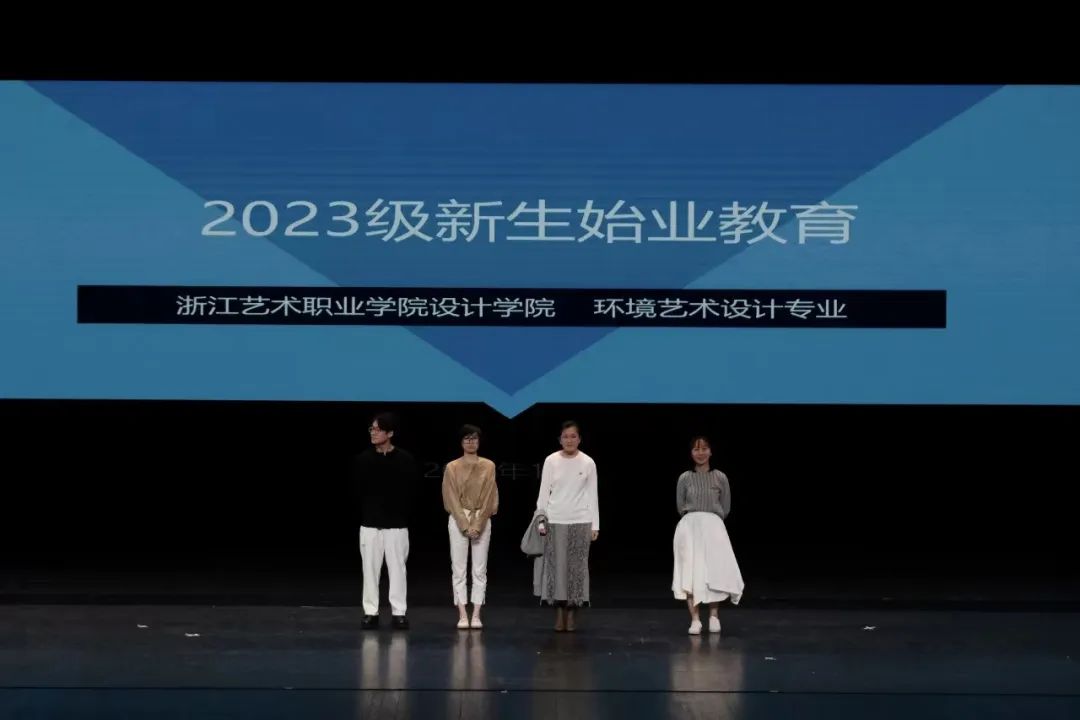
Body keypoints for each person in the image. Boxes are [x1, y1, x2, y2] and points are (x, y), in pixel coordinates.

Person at [351, 411, 419, 630]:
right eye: (371, 429)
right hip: (370, 525)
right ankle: (370, 612)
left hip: (397, 526)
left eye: (378, 429)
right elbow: (358, 491)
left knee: (398, 570)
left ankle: (399, 612)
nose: (373, 433)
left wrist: (401, 514)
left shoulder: (405, 460)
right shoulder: (363, 460)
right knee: (370, 571)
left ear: (390, 433)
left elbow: (411, 492)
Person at [672, 436, 745, 635]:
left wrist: (712, 520)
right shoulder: (685, 477)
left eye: (704, 448)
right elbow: (680, 505)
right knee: (690, 571)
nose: (701, 453)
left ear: (711, 451)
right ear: (691, 453)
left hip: (713, 526)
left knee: (714, 570)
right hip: (690, 526)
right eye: (696, 449)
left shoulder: (720, 477)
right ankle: (695, 619)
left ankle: (714, 616)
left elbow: (726, 506)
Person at [535, 420, 599, 632]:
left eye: (573, 436)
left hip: (581, 521)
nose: (569, 440)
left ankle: (572, 613)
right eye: (565, 436)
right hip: (554, 520)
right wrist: (541, 521)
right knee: (556, 569)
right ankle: (559, 612)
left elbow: (592, 495)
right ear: (559, 439)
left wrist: (595, 525)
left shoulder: (588, 462)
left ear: (579, 439)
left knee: (576, 569)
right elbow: (543, 493)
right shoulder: (551, 460)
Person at [441, 424, 499, 629]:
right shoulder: (452, 467)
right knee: (458, 569)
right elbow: (450, 497)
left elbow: (490, 496)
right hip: (459, 518)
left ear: (479, 441)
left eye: (474, 438)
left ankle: (476, 614)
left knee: (480, 569)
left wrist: (478, 524)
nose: (471, 442)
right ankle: (462, 614)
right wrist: (465, 525)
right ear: (461, 442)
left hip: (481, 516)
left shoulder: (489, 465)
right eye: (467, 438)